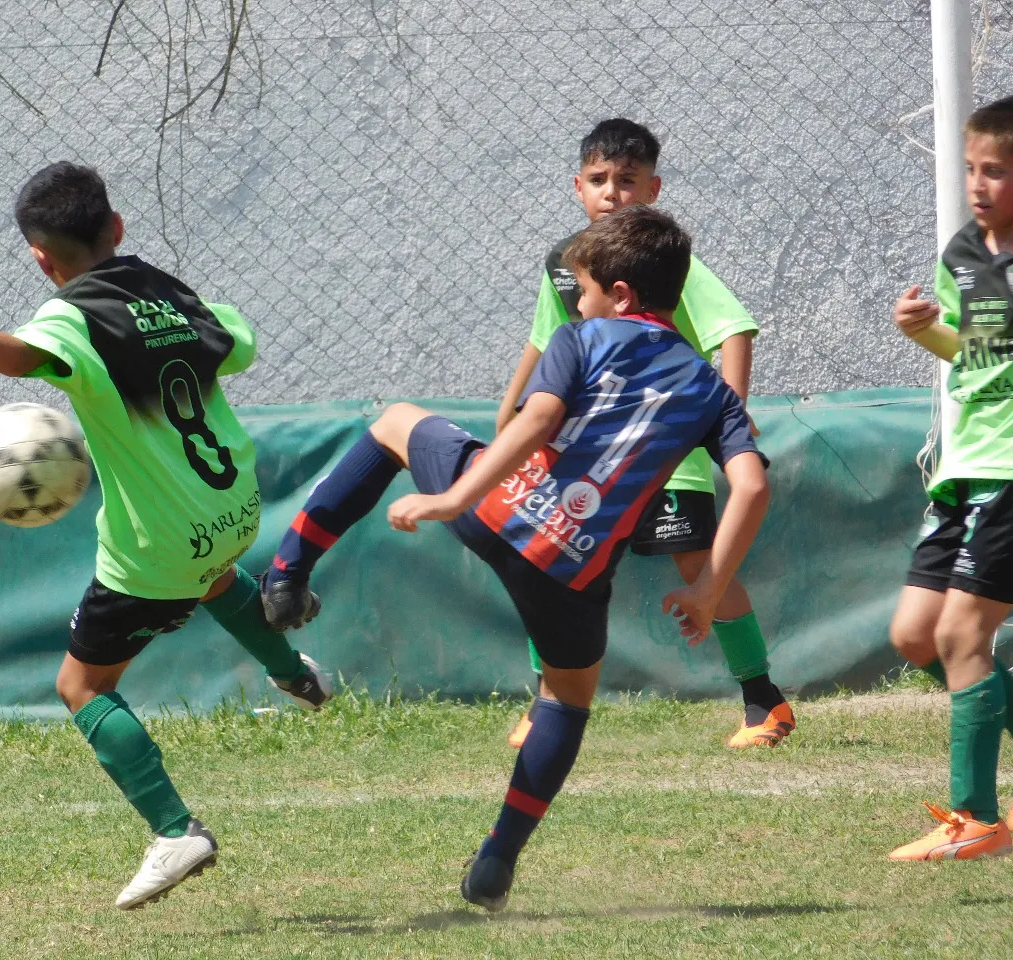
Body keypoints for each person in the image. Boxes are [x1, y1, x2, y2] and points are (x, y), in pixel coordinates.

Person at [258, 206, 770, 909]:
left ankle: (286, 575)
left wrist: (453, 497)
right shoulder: (711, 390)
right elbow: (752, 485)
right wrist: (708, 588)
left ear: (621, 296)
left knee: (396, 423)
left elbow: (538, 419)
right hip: (572, 573)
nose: (577, 303)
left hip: (496, 511)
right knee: (567, 699)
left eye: (584, 290)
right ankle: (497, 860)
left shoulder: (582, 337)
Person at [0, 161, 332, 908]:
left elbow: (21, 358)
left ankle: (175, 831)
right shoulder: (171, 293)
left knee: (81, 685)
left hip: (160, 542)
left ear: (40, 258)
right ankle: (296, 674)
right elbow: (238, 342)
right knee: (214, 575)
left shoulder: (71, 319)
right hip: (236, 507)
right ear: (117, 227)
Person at [497, 118, 791, 751]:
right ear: (578, 186)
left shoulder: (663, 262)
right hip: (591, 454)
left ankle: (763, 699)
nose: (613, 192)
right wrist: (508, 416)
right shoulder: (567, 266)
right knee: (547, 557)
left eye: (628, 180)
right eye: (599, 179)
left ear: (653, 189)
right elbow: (547, 339)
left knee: (698, 564)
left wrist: (728, 412)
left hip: (664, 451)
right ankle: (545, 703)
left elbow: (733, 327)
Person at [885, 95, 1013, 860]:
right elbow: (977, 359)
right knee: (913, 635)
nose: (976, 184)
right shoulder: (964, 252)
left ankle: (977, 820)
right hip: (963, 468)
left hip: (1011, 469)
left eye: (994, 170)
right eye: (971, 168)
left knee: (962, 633)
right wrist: (926, 330)